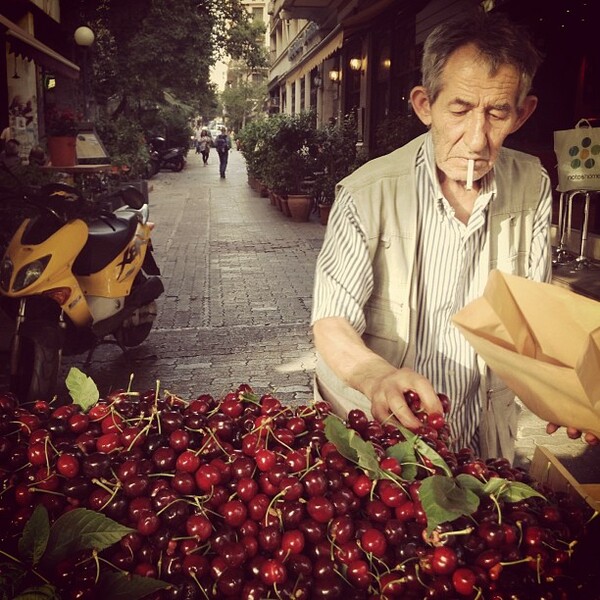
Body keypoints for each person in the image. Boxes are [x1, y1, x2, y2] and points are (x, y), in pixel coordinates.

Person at [311, 10, 598, 463]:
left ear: (522, 114)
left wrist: (566, 390)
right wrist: (373, 374)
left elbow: (532, 315)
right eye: (460, 110)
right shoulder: (367, 193)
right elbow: (331, 321)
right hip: (385, 437)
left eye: (497, 113)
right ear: (426, 105)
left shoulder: (532, 183)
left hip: (483, 431)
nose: (478, 139)